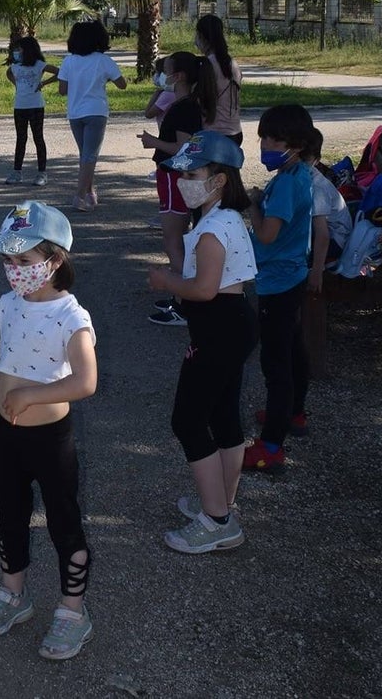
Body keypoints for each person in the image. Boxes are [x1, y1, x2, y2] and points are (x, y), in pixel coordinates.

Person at [0, 201, 98, 660]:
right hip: (8, 436)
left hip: (50, 438)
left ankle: (72, 612)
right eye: (8, 260)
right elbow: (6, 363)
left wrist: (31, 396)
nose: (13, 270)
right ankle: (13, 595)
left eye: (24, 261)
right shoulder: (9, 305)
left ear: (54, 261)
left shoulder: (70, 317)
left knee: (64, 521)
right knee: (9, 514)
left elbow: (85, 381)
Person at [146, 131, 257, 553]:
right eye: (181, 174)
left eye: (192, 173)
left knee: (188, 420)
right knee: (225, 417)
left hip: (219, 330)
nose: (183, 181)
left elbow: (205, 289)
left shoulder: (213, 228)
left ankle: (216, 520)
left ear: (220, 180)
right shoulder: (223, 219)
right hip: (232, 326)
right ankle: (221, 503)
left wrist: (167, 280)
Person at [244, 105, 315, 471]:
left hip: (277, 280)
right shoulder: (297, 173)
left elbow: (267, 235)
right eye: (264, 137)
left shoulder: (288, 182)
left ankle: (271, 445)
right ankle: (294, 412)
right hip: (291, 275)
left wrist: (254, 205)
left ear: (297, 145)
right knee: (292, 347)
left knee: (276, 363)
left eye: (275, 139)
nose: (266, 144)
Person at [140, 52, 217, 327]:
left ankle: (186, 305)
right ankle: (181, 296)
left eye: (167, 71)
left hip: (175, 178)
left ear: (179, 76)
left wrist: (154, 142)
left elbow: (184, 149)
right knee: (177, 240)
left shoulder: (185, 107)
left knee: (173, 242)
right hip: (172, 177)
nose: (162, 75)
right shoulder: (186, 104)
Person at [57, 20, 127, 212]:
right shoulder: (103, 60)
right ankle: (79, 195)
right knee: (89, 156)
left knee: (85, 155)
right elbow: (122, 84)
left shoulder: (69, 60)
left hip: (75, 112)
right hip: (96, 111)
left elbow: (62, 89)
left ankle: (89, 191)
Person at [3, 36, 58, 187]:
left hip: (36, 106)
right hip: (19, 106)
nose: (16, 52)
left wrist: (44, 83)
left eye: (19, 49)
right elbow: (8, 73)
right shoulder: (16, 66)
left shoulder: (39, 65)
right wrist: (16, 84)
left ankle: (42, 173)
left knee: (38, 138)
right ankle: (17, 172)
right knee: (21, 139)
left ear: (27, 50)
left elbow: (59, 72)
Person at [305, 127, 351, 289]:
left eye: (305, 159)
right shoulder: (302, 179)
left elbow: (323, 234)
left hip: (335, 241)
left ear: (316, 160)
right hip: (324, 235)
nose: (300, 164)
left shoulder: (317, 188)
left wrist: (317, 271)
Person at [195, 15, 243, 146]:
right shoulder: (232, 63)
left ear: (202, 37)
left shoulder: (207, 65)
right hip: (235, 130)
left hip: (213, 132)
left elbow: (200, 99)